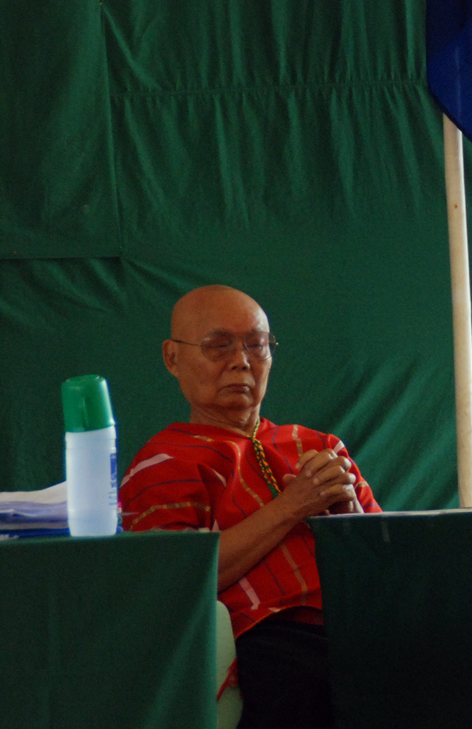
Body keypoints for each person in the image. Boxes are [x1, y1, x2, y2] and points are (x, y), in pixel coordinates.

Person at [120, 285, 379, 729]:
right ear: (173, 358)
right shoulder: (163, 461)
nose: (241, 361)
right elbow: (174, 587)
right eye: (219, 346)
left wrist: (348, 514)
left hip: (368, 623)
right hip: (271, 641)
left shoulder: (320, 447)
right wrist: (292, 506)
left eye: (257, 345)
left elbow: (387, 564)